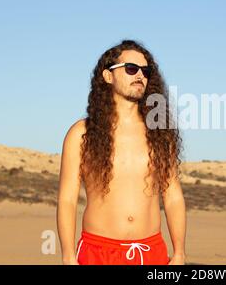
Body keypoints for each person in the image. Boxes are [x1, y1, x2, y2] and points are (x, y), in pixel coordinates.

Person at [57, 39, 186, 265]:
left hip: (151, 252)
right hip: (97, 253)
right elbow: (67, 198)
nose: (140, 76)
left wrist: (179, 253)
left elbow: (173, 196)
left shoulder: (159, 133)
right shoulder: (81, 133)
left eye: (145, 71)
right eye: (131, 69)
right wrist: (68, 256)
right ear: (108, 76)